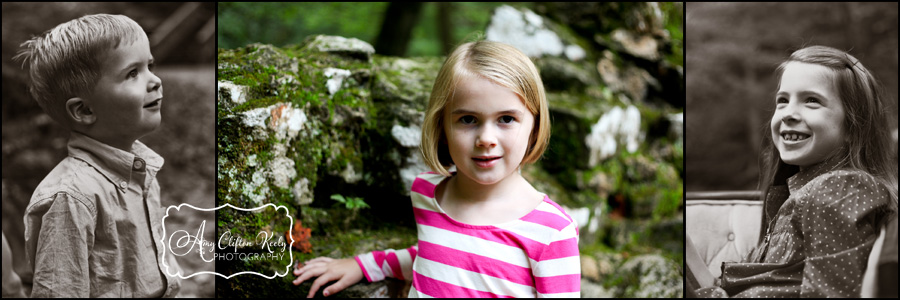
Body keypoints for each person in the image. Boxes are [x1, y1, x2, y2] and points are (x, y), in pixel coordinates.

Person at [291, 40, 581, 298]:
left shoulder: (551, 231)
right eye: (468, 119)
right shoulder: (428, 192)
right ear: (441, 125)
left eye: (506, 119)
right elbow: (440, 258)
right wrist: (365, 264)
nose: (486, 139)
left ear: (535, 125)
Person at [689, 45, 898, 297]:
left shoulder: (840, 189)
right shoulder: (798, 196)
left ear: (854, 126)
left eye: (812, 101)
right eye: (783, 101)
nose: (788, 113)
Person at [15, 14, 181, 297]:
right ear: (84, 111)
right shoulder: (71, 198)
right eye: (132, 73)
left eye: (150, 66)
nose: (155, 81)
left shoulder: (143, 171)